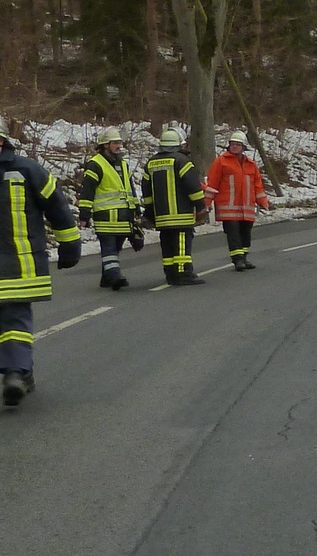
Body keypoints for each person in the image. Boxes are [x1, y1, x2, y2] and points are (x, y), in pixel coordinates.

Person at [0, 117, 82, 407]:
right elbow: (56, 206)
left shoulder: (28, 169)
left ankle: (17, 372)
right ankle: (16, 372)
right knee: (15, 319)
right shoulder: (28, 170)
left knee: (14, 318)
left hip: (18, 265)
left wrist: (70, 242)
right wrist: (70, 242)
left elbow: (57, 205)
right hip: (21, 265)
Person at [77, 126, 143, 291]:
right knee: (109, 247)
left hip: (123, 216)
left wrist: (136, 208)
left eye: (120, 142)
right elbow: (87, 191)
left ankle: (106, 278)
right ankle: (114, 277)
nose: (119, 146)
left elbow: (130, 188)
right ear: (105, 145)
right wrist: (84, 215)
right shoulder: (95, 164)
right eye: (115, 143)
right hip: (105, 216)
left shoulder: (122, 164)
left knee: (116, 248)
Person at [141, 127, 208, 286]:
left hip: (161, 216)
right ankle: (183, 272)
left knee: (167, 243)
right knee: (182, 242)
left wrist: (149, 212)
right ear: (179, 144)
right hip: (181, 214)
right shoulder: (182, 161)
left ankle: (170, 273)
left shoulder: (151, 163)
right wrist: (200, 206)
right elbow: (192, 186)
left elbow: (147, 191)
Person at [204, 130, 271, 271]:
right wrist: (207, 203)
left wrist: (263, 201)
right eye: (232, 144)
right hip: (228, 208)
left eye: (237, 144)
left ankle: (244, 257)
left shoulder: (251, 164)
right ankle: (237, 260)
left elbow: (257, 185)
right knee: (233, 234)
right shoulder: (221, 162)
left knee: (246, 233)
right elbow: (212, 184)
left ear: (243, 147)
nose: (234, 147)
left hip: (247, 208)